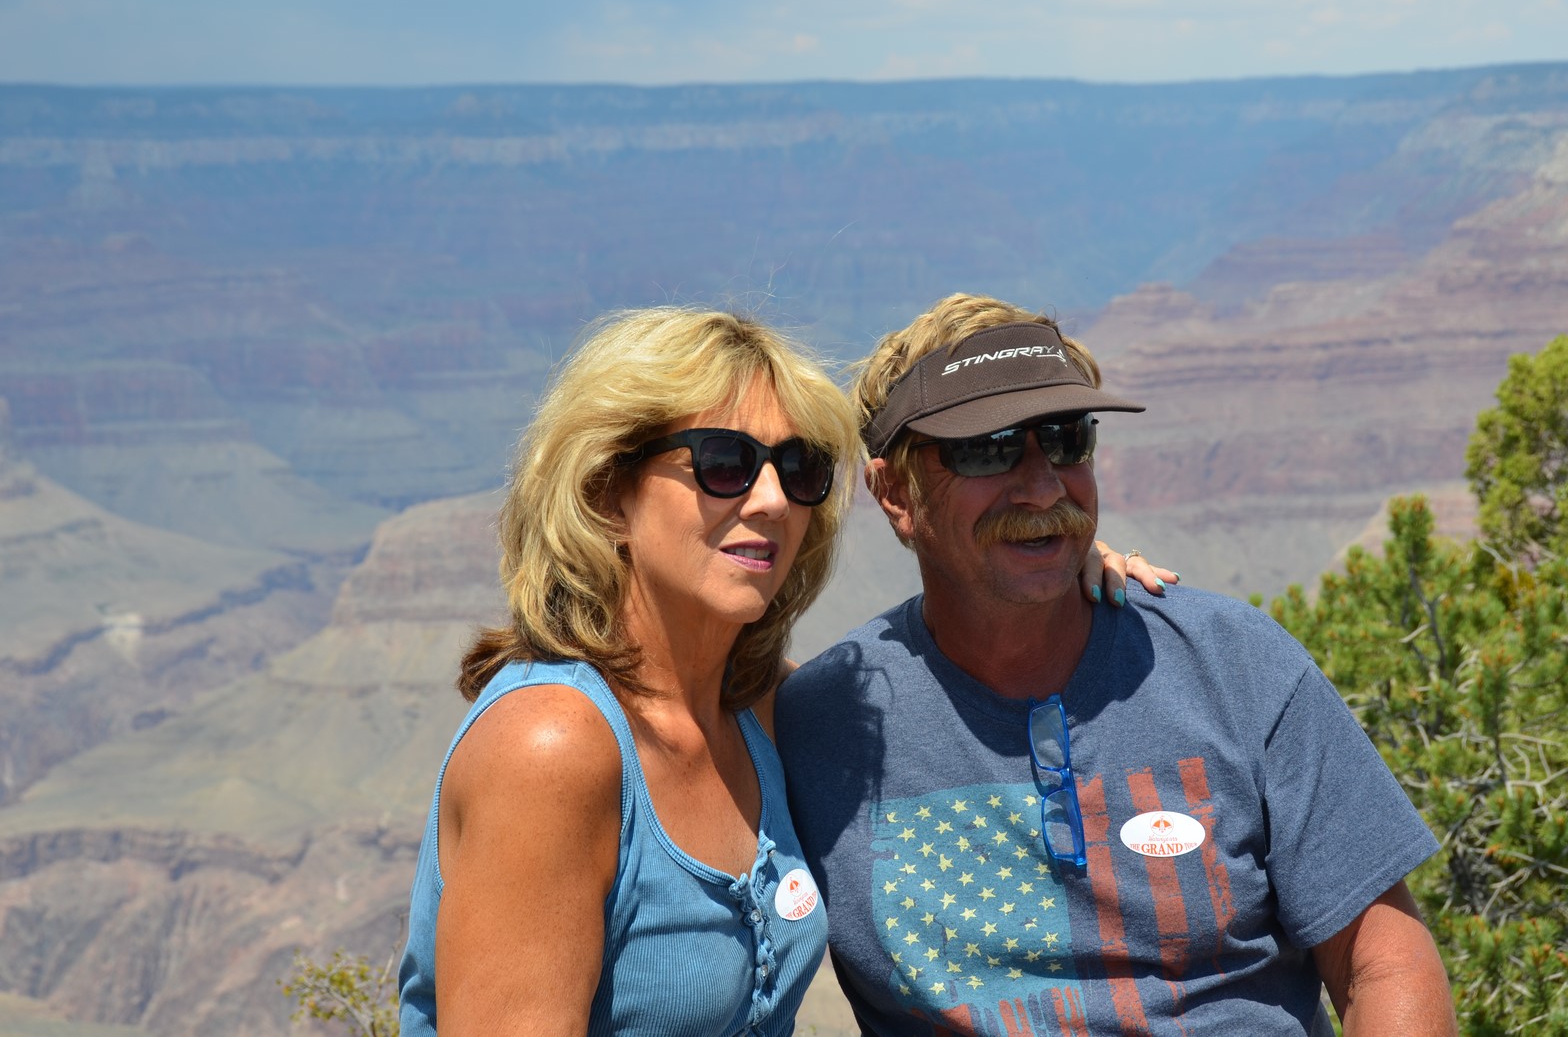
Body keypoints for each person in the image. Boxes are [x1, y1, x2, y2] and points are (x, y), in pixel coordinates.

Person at [397, 305, 1166, 1036]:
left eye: (798, 468)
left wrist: (1054, 563)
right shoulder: (555, 747)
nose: (771, 501)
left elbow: (942, 681)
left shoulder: (754, 708)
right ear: (606, 495)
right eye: (723, 464)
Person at [776, 293, 1457, 1036]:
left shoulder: (1234, 666)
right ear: (896, 493)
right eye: (988, 448)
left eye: (1066, 440)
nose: (1042, 486)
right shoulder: (822, 723)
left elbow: (1382, 963)